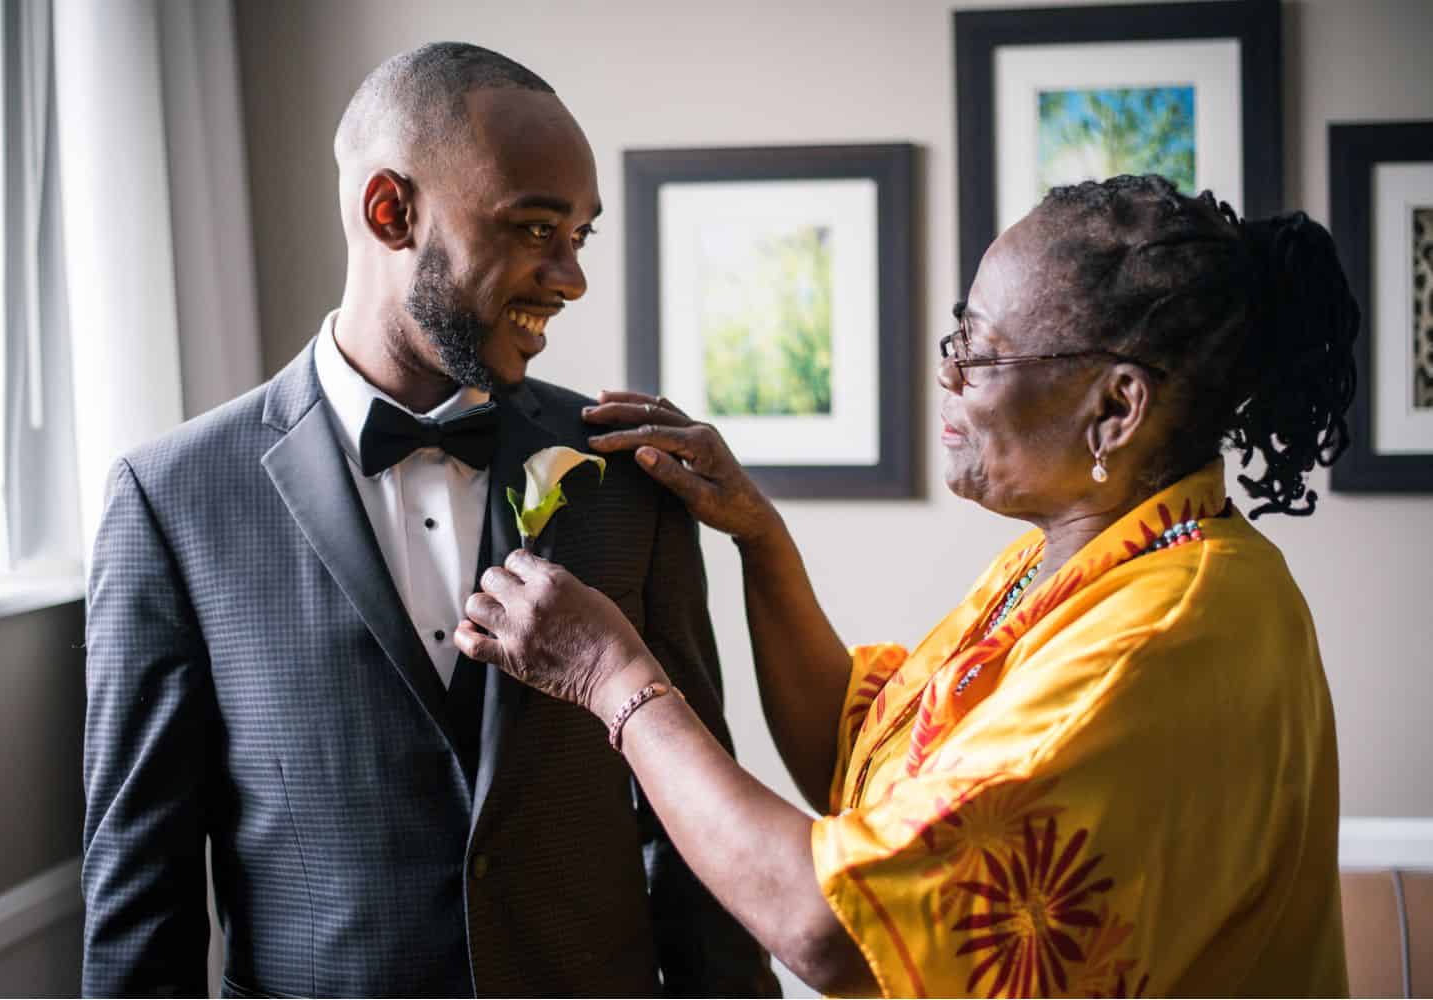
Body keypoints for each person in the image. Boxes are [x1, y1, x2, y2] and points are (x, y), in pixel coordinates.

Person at [458, 175, 1358, 996]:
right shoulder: (1077, 562)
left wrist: (614, 679)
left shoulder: (1164, 634)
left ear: (1115, 408)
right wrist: (762, 541)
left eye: (985, 353)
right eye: (958, 333)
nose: (949, 373)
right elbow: (858, 771)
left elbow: (830, 927)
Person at [81, 42, 777, 997]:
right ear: (390, 211)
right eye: (536, 229)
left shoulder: (627, 470)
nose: (570, 278)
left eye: (582, 235)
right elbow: (140, 897)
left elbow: (696, 833)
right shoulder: (171, 501)